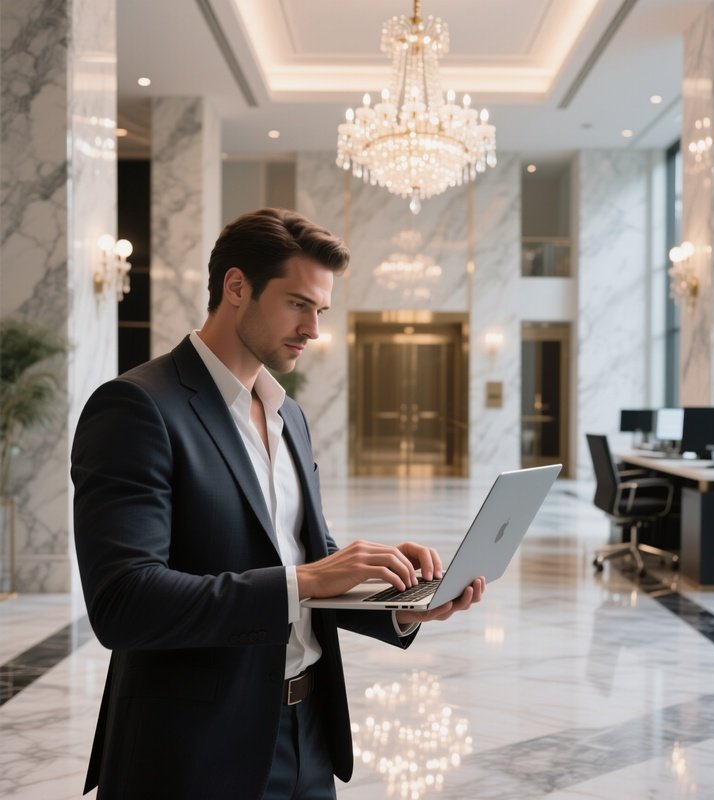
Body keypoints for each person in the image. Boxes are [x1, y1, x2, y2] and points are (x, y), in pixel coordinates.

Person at [71, 208, 485, 800]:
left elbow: (300, 555)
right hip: (194, 748)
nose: (313, 329)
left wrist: (392, 598)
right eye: (297, 304)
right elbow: (124, 603)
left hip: (309, 735)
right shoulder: (138, 407)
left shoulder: (289, 414)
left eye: (320, 310)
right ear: (236, 287)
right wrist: (305, 580)